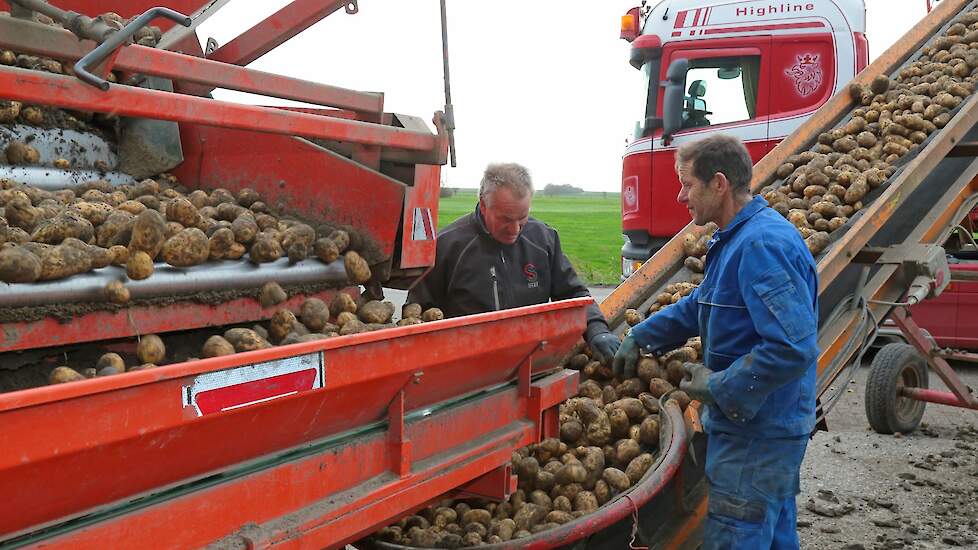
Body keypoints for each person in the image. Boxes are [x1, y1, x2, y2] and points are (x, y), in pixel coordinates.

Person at [612, 134, 818, 549]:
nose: (680, 195)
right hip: (757, 430)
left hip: (758, 434)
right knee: (773, 536)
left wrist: (718, 385)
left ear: (719, 184)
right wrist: (641, 334)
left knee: (739, 537)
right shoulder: (735, 238)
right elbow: (702, 306)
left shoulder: (762, 246)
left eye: (687, 184)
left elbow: (792, 348)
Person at [407, 162, 620, 361]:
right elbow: (417, 313)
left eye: (523, 217)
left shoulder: (543, 239)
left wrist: (597, 330)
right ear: (483, 205)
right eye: (506, 219)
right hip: (465, 366)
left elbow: (573, 294)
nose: (515, 229)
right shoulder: (447, 246)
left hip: (530, 361)